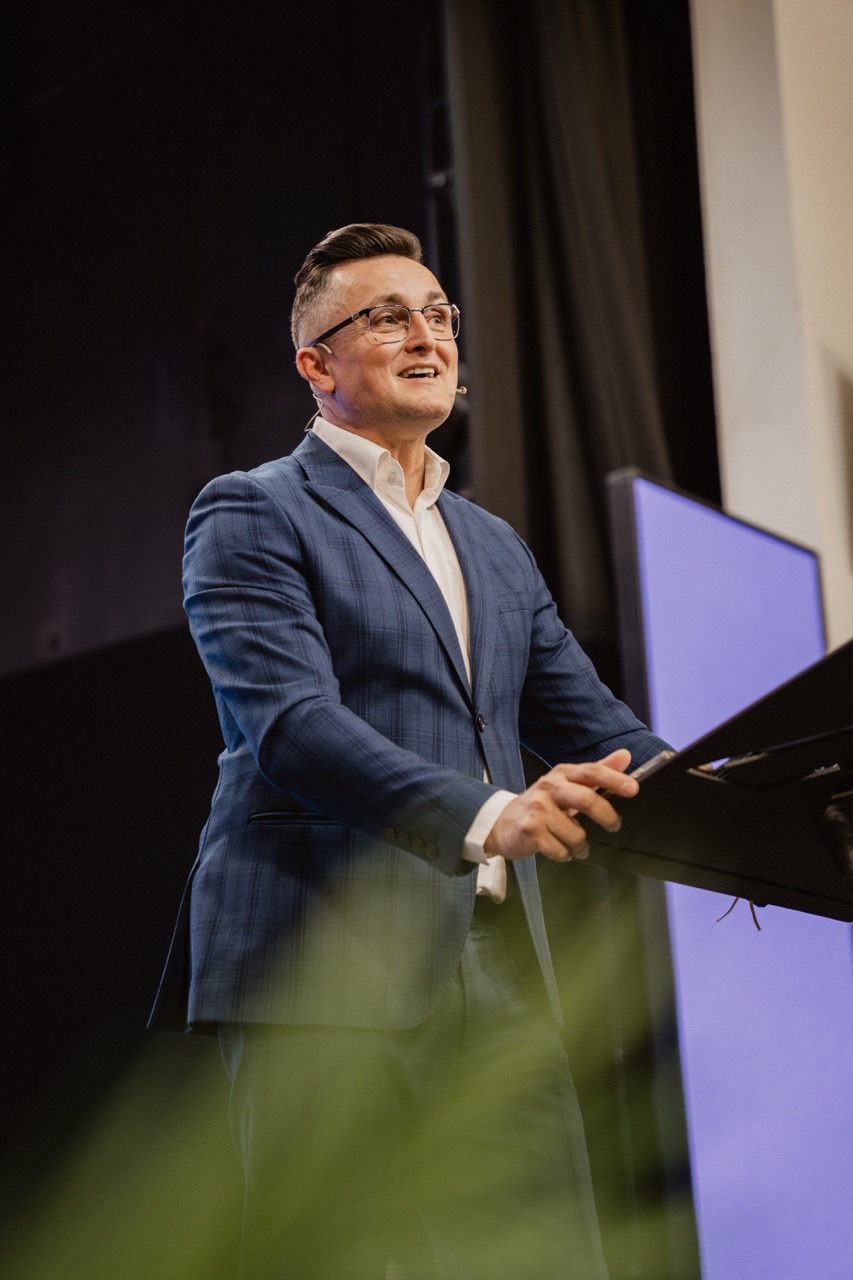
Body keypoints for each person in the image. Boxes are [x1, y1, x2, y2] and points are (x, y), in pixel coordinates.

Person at [149, 222, 671, 1279]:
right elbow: (290, 725)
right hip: (321, 953)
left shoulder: (491, 542)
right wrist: (492, 812)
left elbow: (603, 729)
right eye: (387, 316)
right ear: (316, 364)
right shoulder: (253, 510)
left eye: (438, 313)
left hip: (498, 970)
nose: (425, 334)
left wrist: (755, 798)